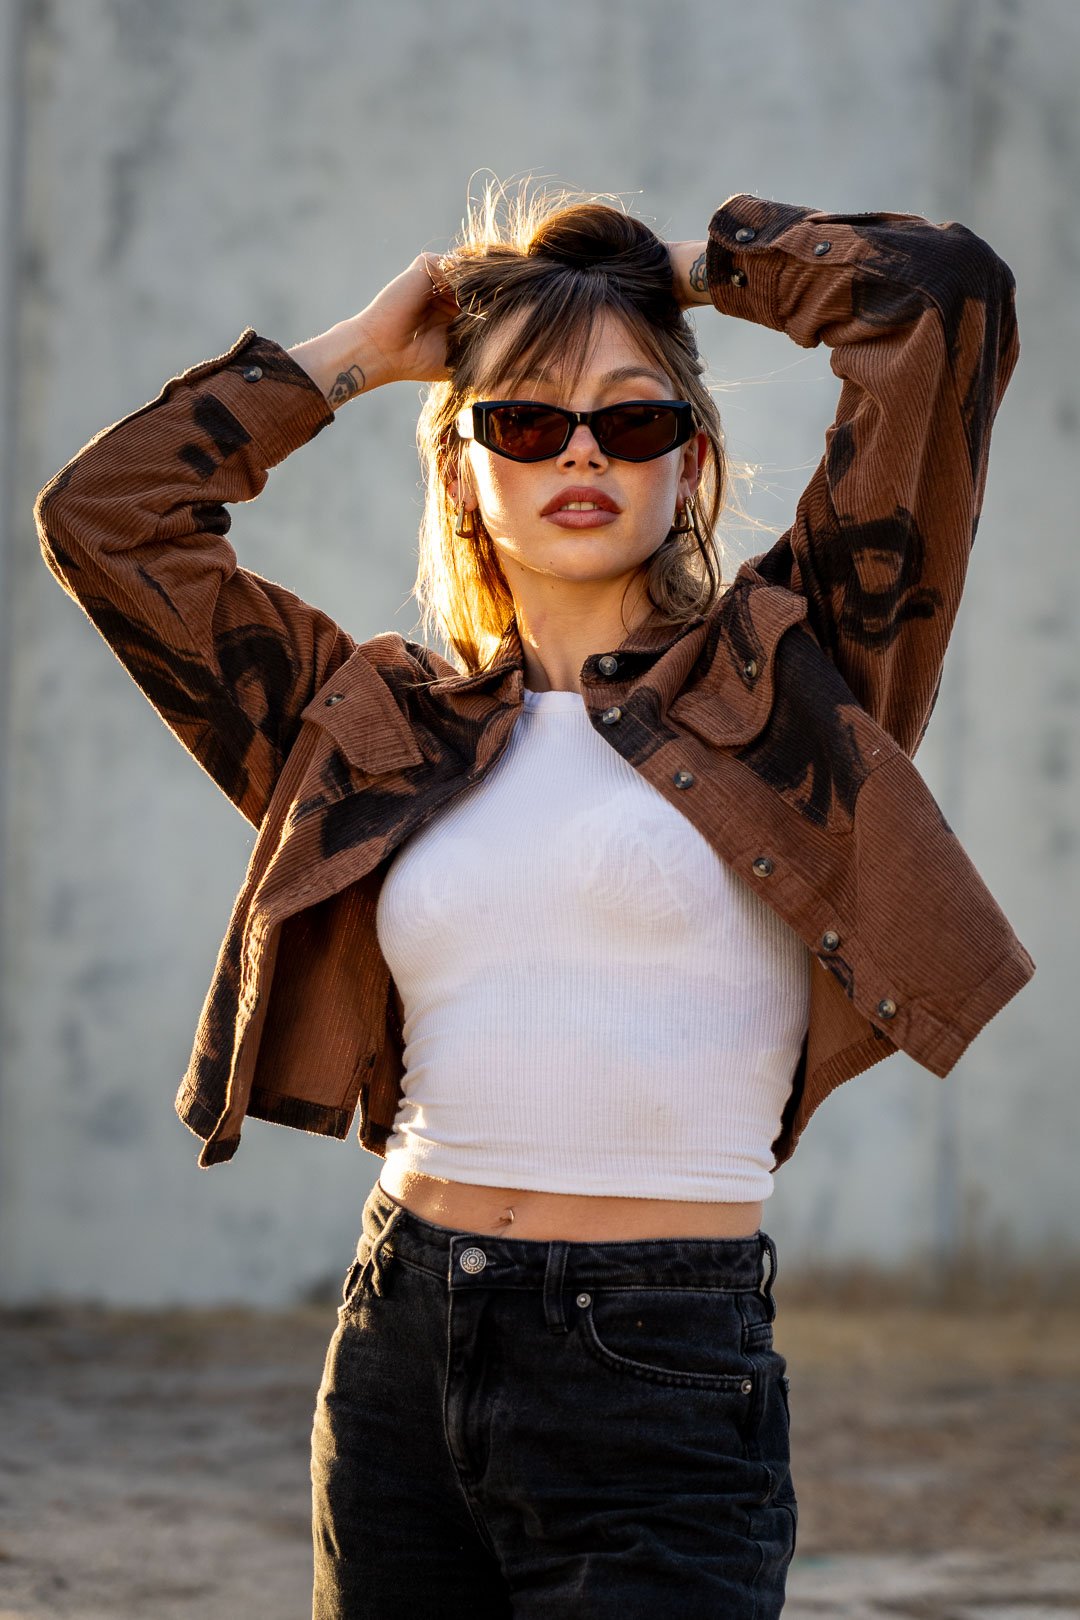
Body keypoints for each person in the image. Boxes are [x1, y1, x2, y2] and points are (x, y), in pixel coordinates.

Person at [35, 181, 1034, 1619]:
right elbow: (106, 520)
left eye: (633, 419)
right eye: (525, 419)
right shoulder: (370, 727)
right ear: (459, 470)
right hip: (398, 1342)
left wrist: (667, 273)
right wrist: (362, 357)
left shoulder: (796, 685)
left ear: (690, 465)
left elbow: (943, 296)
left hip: (662, 1366)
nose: (582, 450)